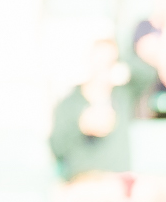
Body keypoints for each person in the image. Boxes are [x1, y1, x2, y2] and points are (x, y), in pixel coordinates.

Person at [50, 40, 148, 179]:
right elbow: (56, 147)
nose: (102, 67)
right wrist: (80, 126)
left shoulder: (123, 95)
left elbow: (148, 73)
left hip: (118, 181)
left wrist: (125, 65)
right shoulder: (69, 104)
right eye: (99, 61)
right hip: (84, 181)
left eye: (109, 62)